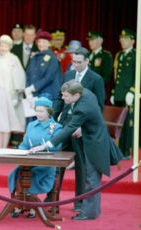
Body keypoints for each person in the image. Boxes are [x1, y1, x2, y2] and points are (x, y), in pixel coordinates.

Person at [32, 80, 122, 220]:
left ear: (76, 95)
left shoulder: (82, 108)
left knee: (92, 178)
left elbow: (70, 127)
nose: (63, 98)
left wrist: (46, 145)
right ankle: (90, 210)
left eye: (66, 96)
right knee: (91, 178)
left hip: (95, 141)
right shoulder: (85, 93)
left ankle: (89, 213)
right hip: (92, 135)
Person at [52, 47, 105, 212]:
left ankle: (79, 201)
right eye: (73, 61)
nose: (75, 65)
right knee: (57, 162)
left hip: (82, 125)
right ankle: (53, 199)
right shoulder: (68, 74)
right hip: (66, 122)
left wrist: (84, 126)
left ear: (87, 61)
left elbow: (99, 106)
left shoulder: (96, 79)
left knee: (81, 164)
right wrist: (53, 119)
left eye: (78, 62)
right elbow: (60, 98)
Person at [8, 96, 62, 218]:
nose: (38, 114)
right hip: (28, 161)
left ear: (49, 111)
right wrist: (21, 151)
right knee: (17, 172)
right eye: (36, 110)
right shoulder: (31, 125)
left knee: (32, 174)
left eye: (41, 111)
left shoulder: (56, 127)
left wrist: (41, 148)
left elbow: (56, 146)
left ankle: (32, 206)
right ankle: (20, 204)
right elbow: (24, 144)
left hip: (46, 164)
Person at [0, 34, 26, 148]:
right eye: (1, 46)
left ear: (9, 47)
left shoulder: (13, 59)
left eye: (5, 46)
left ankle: (4, 147)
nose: (3, 48)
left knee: (7, 122)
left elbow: (19, 77)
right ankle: (0, 146)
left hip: (9, 94)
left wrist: (17, 95)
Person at [110, 29, 136, 159]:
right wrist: (114, 92)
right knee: (118, 123)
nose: (122, 41)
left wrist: (133, 90)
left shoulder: (136, 55)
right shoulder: (119, 55)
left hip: (129, 95)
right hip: (120, 94)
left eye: (125, 39)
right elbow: (117, 76)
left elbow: (137, 75)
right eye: (121, 39)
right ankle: (119, 150)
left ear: (132, 40)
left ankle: (126, 150)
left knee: (127, 123)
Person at [25, 30, 62, 101]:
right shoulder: (34, 57)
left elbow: (49, 77)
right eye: (39, 41)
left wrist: (34, 87)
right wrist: (28, 88)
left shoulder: (53, 58)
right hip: (34, 94)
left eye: (44, 42)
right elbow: (28, 74)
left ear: (49, 44)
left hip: (48, 94)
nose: (41, 44)